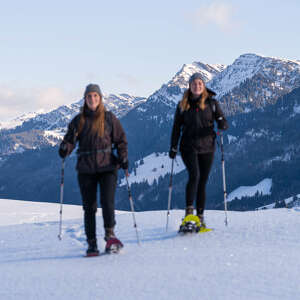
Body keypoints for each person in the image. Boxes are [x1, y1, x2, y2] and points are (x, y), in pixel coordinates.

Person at [58, 83, 128, 255]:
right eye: (89, 96)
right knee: (89, 207)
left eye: (95, 96)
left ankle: (110, 235)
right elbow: (70, 140)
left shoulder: (110, 118)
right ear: (85, 99)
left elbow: (120, 140)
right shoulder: (78, 120)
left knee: (108, 202)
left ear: (100, 98)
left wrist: (123, 156)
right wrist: (65, 148)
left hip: (108, 166)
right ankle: (91, 243)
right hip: (86, 168)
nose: (92, 99)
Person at [169, 73, 228, 227]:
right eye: (194, 83)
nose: (197, 86)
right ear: (189, 85)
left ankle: (200, 216)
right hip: (188, 146)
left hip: (207, 147)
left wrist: (222, 123)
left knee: (203, 181)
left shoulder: (212, 103)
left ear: (204, 86)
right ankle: (189, 214)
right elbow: (176, 127)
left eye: (200, 83)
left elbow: (222, 121)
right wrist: (173, 146)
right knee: (194, 176)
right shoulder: (183, 104)